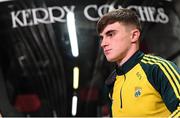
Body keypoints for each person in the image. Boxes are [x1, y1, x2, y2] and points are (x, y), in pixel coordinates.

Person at [96, 8, 180, 117]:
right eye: (102, 37)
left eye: (110, 34)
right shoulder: (112, 81)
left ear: (134, 35)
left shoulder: (157, 68)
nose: (103, 43)